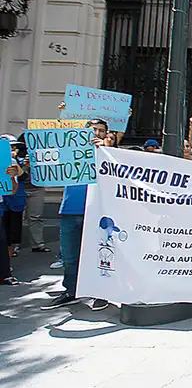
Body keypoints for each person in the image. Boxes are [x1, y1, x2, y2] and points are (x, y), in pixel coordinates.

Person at [42, 119, 110, 311]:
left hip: (97, 211)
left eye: (101, 130)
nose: (97, 133)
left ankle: (101, 293)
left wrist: (104, 150)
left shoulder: (109, 154)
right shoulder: (69, 152)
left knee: (99, 255)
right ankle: (71, 291)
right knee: (70, 256)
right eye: (93, 129)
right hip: (70, 210)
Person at [14, 134, 48, 254]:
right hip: (20, 189)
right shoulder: (15, 155)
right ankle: (14, 245)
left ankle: (38, 244)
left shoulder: (42, 153)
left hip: (36, 189)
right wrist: (24, 164)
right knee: (16, 217)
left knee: (35, 217)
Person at [2, 135, 26, 260]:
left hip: (15, 204)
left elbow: (22, 178)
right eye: (10, 148)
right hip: (3, 205)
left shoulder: (16, 163)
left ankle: (7, 263)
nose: (13, 151)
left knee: (12, 237)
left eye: (14, 148)